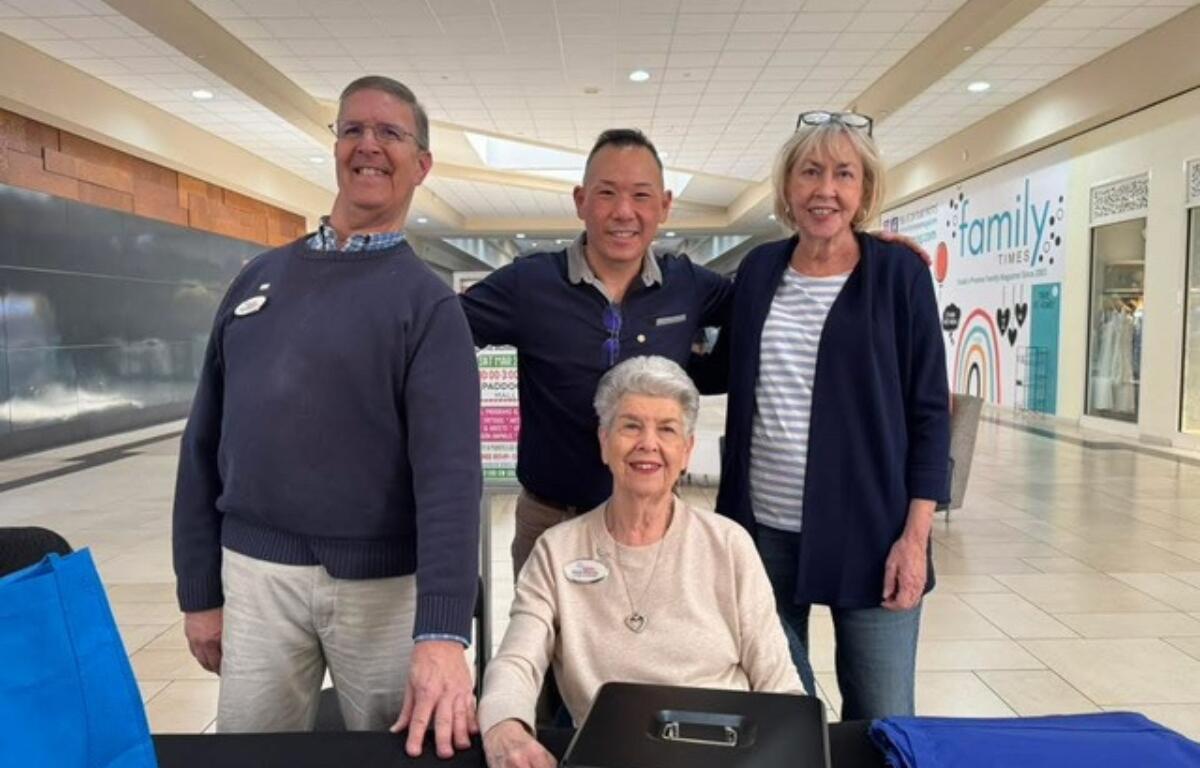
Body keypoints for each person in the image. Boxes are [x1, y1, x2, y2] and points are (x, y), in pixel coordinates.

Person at [172, 75, 481, 759]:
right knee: (250, 752)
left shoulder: (428, 306)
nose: (368, 145)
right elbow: (203, 442)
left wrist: (442, 633)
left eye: (390, 133)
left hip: (384, 589)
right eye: (352, 130)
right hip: (255, 576)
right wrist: (198, 590)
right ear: (336, 146)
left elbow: (451, 480)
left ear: (422, 164)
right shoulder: (258, 279)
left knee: (398, 751)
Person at [703, 111, 950, 720]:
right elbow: (718, 369)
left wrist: (915, 540)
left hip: (873, 532)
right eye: (810, 172)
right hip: (761, 531)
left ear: (865, 189)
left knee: (881, 716)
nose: (826, 190)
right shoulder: (759, 271)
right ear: (787, 187)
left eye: (844, 174)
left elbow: (929, 414)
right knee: (779, 708)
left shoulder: (899, 275)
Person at [479, 356, 802, 768]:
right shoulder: (557, 550)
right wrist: (504, 726)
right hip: (607, 755)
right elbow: (516, 660)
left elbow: (778, 681)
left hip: (722, 755)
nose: (648, 443)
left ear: (686, 451)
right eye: (631, 426)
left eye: (667, 429)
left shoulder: (728, 544)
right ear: (604, 442)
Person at [459, 129, 731, 579]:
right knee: (542, 628)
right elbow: (440, 327)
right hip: (551, 520)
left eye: (641, 195)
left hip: (655, 520)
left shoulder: (688, 284)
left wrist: (862, 256)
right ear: (581, 200)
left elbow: (760, 312)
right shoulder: (530, 284)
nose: (623, 211)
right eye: (606, 193)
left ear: (664, 205)